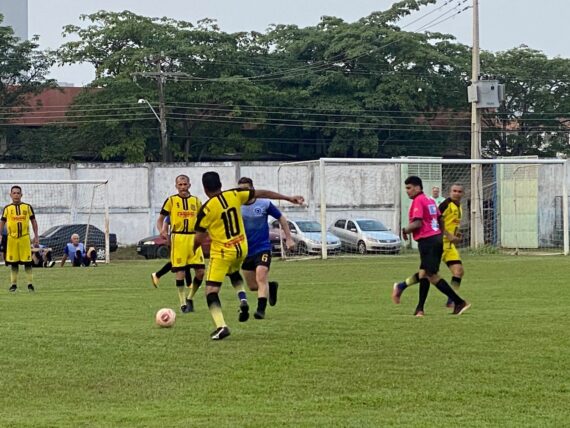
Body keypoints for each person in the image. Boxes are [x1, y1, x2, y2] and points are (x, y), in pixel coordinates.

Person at [193, 171, 303, 340]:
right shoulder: (234, 195)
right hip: (242, 249)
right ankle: (244, 299)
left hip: (224, 252)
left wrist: (193, 248)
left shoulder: (205, 210)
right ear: (221, 185)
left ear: (205, 189)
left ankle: (222, 326)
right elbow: (264, 193)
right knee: (242, 278)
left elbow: (199, 238)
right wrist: (288, 198)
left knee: (211, 290)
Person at [391, 176, 470, 317]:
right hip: (437, 240)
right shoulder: (430, 200)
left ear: (417, 187)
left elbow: (418, 223)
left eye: (409, 188)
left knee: (430, 275)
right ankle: (419, 309)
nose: (407, 191)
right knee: (425, 274)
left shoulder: (418, 201)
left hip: (428, 241)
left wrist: (404, 230)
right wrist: (440, 234)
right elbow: (440, 218)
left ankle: (458, 302)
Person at [237, 177, 295, 320]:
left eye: (245, 189)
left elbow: (281, 218)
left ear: (252, 189)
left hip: (262, 248)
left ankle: (260, 310)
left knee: (261, 276)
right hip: (245, 251)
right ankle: (271, 287)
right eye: (240, 189)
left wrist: (288, 238)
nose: (243, 192)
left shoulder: (264, 204)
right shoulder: (235, 206)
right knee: (252, 286)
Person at [156, 175, 205, 314]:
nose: (183, 187)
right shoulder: (171, 200)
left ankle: (190, 297)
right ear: (176, 186)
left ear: (189, 185)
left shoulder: (196, 201)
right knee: (180, 271)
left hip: (194, 238)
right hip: (178, 238)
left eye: (185, 184)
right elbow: (160, 219)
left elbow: (203, 220)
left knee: (200, 272)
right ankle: (183, 303)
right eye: (180, 184)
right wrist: (162, 230)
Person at [0, 185, 39, 292]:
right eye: (14, 193)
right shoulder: (7, 208)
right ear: (11, 195)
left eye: (18, 193)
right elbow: (2, 222)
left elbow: (34, 222)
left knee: (27, 263)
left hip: (24, 239)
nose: (16, 195)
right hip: (12, 239)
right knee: (14, 264)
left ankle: (30, 284)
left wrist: (36, 236)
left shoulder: (27, 207)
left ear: (21, 195)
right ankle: (13, 285)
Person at [150, 215, 192, 289]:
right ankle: (189, 283)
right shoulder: (172, 213)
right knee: (180, 261)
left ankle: (157, 275)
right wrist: (167, 238)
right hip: (176, 240)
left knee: (182, 261)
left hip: (183, 239)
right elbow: (166, 225)